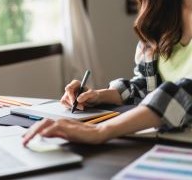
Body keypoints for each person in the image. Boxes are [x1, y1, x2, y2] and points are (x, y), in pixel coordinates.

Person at [23, 0, 192, 146]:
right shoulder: (161, 16)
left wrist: (100, 130)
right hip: (166, 139)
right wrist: (100, 96)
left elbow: (186, 93)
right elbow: (149, 86)